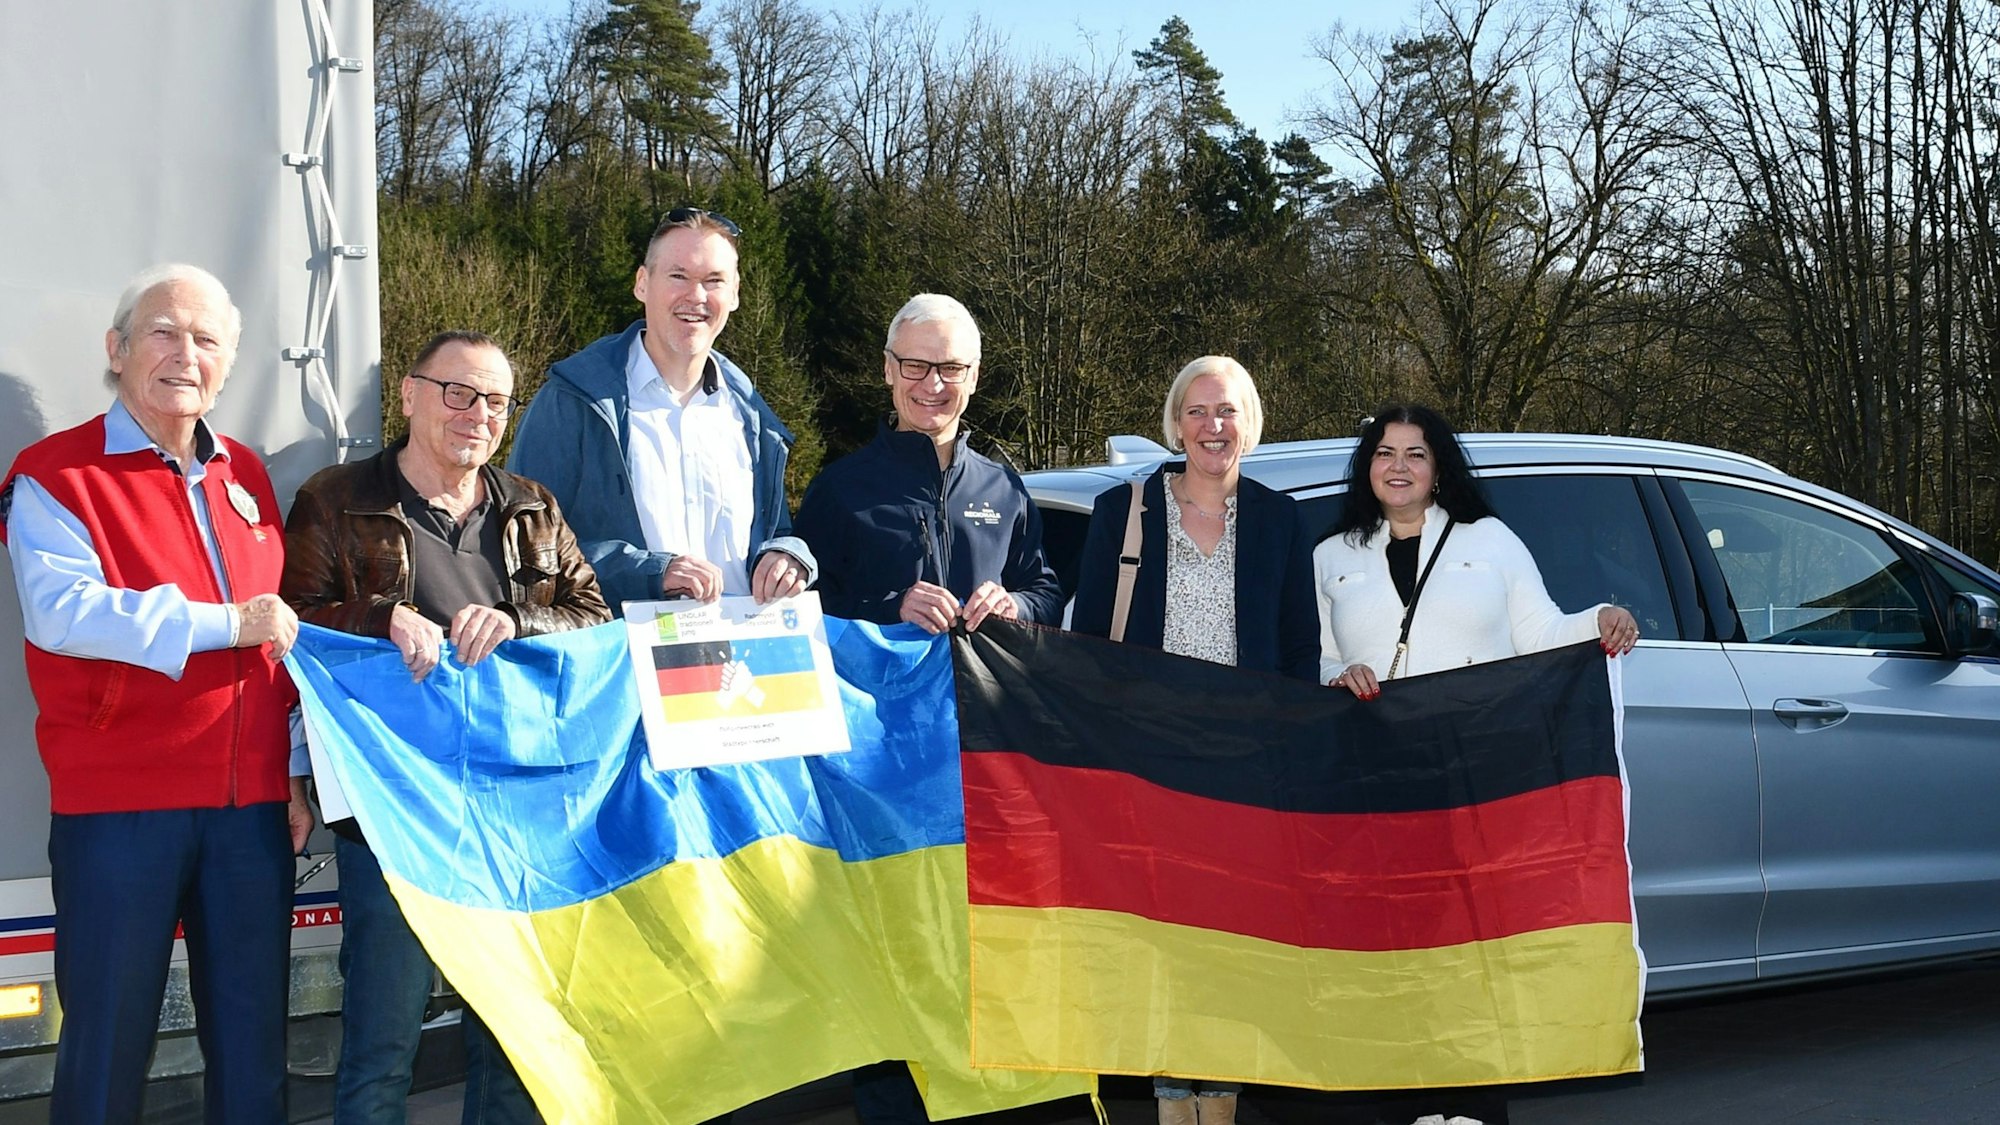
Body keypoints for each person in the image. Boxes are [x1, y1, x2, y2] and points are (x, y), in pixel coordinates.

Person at [0, 263, 307, 1124]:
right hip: (120, 813)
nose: (185, 353)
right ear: (118, 349)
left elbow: (277, 645)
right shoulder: (56, 474)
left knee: (255, 1054)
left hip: (248, 812)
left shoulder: (242, 472)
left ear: (228, 361)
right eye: (165, 332)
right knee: (106, 1053)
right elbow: (63, 614)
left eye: (207, 339)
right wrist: (226, 621)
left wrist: (287, 766)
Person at [281, 331, 612, 1125]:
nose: (478, 413)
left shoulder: (532, 505)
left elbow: (594, 618)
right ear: (408, 393)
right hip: (391, 812)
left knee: (510, 1034)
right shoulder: (334, 499)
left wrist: (515, 618)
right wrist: (381, 616)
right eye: (458, 391)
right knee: (383, 1042)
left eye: (496, 400)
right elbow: (291, 623)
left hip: (512, 809)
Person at [1313, 403, 1640, 1125]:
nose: (1398, 466)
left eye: (1417, 453)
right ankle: (1402, 1102)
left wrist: (1601, 621)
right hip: (1375, 784)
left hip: (1473, 780)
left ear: (1439, 469)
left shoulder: (1490, 541)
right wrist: (1339, 672)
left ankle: (1470, 1106)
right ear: (1366, 465)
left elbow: (1543, 632)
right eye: (1385, 452)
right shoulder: (1332, 555)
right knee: (1392, 949)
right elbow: (1311, 655)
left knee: (1467, 944)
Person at [1070, 356, 1317, 1125]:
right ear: (1176, 423)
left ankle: (1223, 1103)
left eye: (1230, 411)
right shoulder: (1127, 510)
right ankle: (1177, 1108)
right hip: (1150, 774)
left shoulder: (1280, 521)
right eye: (1201, 411)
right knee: (1165, 953)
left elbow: (1299, 654)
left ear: (1251, 423)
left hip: (1244, 777)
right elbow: (1089, 644)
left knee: (1232, 953)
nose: (1215, 426)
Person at [506, 207, 812, 608]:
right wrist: (651, 573)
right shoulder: (574, 400)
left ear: (735, 295)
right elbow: (524, 543)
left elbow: (774, 530)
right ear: (642, 284)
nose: (697, 296)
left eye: (714, 281)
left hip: (737, 658)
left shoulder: (753, 418)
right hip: (618, 660)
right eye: (678, 276)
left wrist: (789, 555)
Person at [793, 293, 1062, 634]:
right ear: (889, 369)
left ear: (974, 377)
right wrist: (893, 607)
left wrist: (1016, 605)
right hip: (878, 687)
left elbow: (1047, 597)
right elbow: (799, 610)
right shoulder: (838, 489)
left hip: (980, 686)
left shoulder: (1005, 490)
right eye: (915, 365)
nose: (932, 385)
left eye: (951, 368)